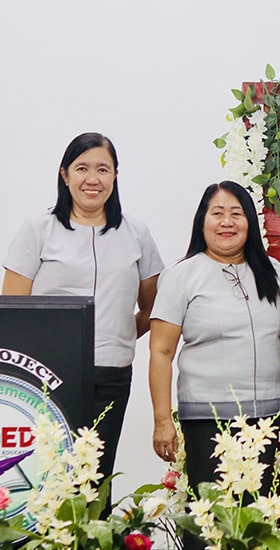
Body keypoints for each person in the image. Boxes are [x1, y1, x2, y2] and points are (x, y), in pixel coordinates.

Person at [2, 132, 164, 511]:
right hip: (45, 379)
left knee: (94, 481)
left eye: (103, 169)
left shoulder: (135, 232)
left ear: (115, 176)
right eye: (82, 168)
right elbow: (11, 312)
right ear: (65, 175)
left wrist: (122, 334)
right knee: (46, 478)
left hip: (110, 374)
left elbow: (155, 307)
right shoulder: (37, 229)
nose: (93, 179)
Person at [148, 181, 280, 520]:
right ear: (202, 221)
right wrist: (162, 420)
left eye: (236, 214)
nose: (227, 222)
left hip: (263, 420)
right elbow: (161, 352)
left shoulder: (275, 274)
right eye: (217, 213)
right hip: (206, 421)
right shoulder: (181, 276)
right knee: (208, 522)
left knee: (254, 522)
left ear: (250, 222)